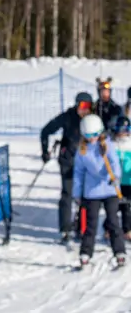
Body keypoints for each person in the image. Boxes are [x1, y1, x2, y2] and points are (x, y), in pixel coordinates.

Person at [72, 114, 126, 268]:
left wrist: (116, 177)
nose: (92, 138)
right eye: (88, 135)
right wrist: (77, 193)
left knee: (113, 221)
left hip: (109, 189)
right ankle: (86, 253)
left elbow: (114, 162)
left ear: (100, 132)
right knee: (91, 224)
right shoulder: (82, 151)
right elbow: (78, 172)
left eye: (95, 135)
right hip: (92, 191)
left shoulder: (107, 144)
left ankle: (120, 252)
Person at [40, 91, 93, 243]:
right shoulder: (68, 116)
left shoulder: (92, 119)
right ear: (76, 105)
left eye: (88, 106)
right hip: (68, 161)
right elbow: (45, 131)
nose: (85, 109)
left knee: (86, 196)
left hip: (86, 162)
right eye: (82, 105)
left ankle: (82, 227)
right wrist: (45, 151)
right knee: (67, 194)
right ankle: (65, 229)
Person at [109, 115, 131, 240]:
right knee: (113, 206)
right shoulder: (112, 144)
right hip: (115, 181)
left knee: (127, 206)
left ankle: (127, 229)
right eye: (120, 129)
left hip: (128, 181)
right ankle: (108, 228)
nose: (123, 133)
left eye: (125, 129)